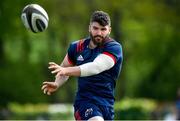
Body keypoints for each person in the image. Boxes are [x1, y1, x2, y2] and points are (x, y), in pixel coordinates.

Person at [41, 10, 123, 121]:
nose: (99, 33)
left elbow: (96, 67)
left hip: (107, 105)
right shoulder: (77, 47)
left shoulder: (114, 48)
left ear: (109, 30)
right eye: (95, 28)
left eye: (103, 29)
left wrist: (66, 71)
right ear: (89, 28)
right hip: (84, 102)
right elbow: (63, 70)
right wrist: (57, 83)